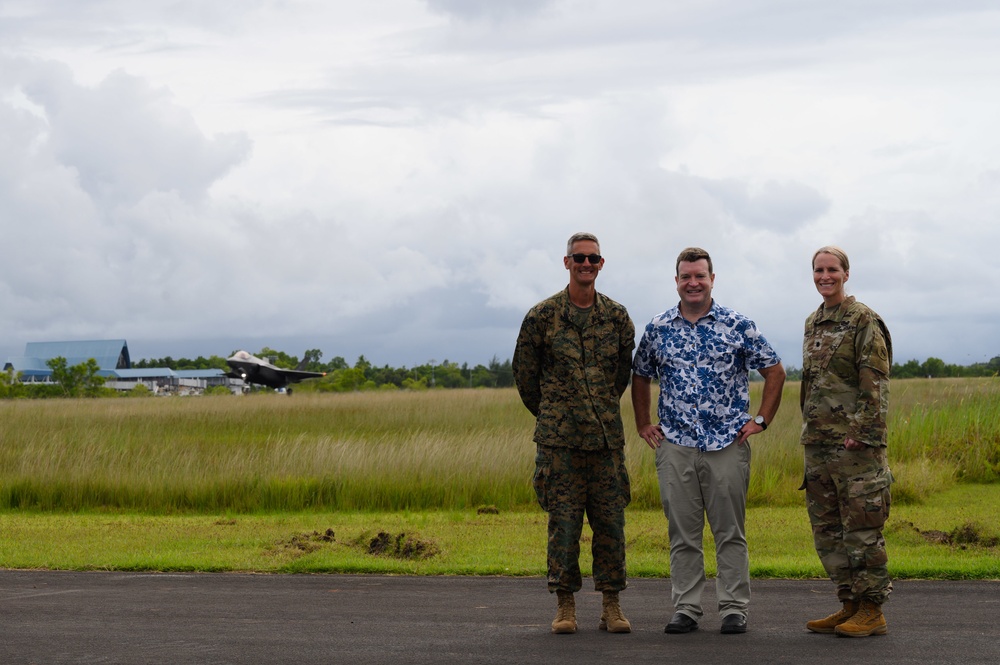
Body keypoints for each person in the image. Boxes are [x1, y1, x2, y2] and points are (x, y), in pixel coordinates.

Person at [631, 246, 785, 636]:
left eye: (700, 276)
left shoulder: (738, 325)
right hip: (676, 444)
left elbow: (774, 370)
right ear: (677, 281)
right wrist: (643, 423)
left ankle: (734, 608)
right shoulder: (659, 327)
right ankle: (686, 607)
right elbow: (640, 375)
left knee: (729, 531)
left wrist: (761, 421)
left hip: (726, 444)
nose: (693, 283)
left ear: (712, 279)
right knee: (682, 532)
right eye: (686, 276)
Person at [513, 232, 635, 635]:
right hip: (559, 445)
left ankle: (611, 606)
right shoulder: (541, 317)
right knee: (563, 529)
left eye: (593, 259)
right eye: (579, 258)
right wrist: (556, 413)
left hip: (604, 445)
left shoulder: (617, 317)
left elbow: (621, 375)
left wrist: (595, 406)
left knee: (611, 527)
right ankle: (565, 606)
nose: (586, 264)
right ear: (566, 262)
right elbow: (526, 378)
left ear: (602, 264)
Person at [801, 246, 893, 638]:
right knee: (828, 531)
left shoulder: (863, 320)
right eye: (819, 270)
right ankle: (849, 604)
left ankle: (872, 610)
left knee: (862, 529)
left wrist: (864, 432)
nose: (825, 276)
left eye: (832, 269)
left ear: (846, 274)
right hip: (819, 445)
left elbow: (874, 379)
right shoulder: (813, 322)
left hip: (855, 448)